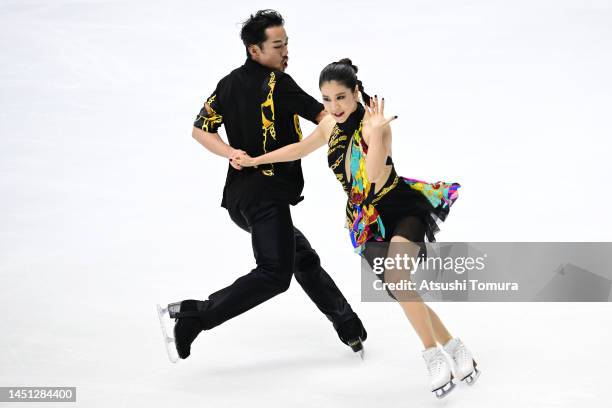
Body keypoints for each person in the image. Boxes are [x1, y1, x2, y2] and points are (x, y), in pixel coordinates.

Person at [234, 59, 481, 398]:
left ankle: (432, 354)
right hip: (365, 222)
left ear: (356, 94)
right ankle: (455, 347)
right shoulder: (328, 126)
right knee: (403, 291)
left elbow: (376, 174)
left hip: (399, 209)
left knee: (397, 280)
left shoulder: (373, 125)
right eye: (326, 99)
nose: (333, 107)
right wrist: (255, 160)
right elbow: (299, 149)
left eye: (340, 98)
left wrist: (377, 134)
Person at [157, 11, 367, 363]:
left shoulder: (227, 84)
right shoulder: (278, 84)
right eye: (278, 45)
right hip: (265, 197)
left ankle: (348, 325)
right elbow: (324, 116)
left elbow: (200, 129)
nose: (286, 52)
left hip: (241, 200)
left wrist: (230, 153)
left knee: (301, 257)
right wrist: (352, 111)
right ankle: (196, 314)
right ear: (255, 50)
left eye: (286, 43)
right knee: (274, 274)